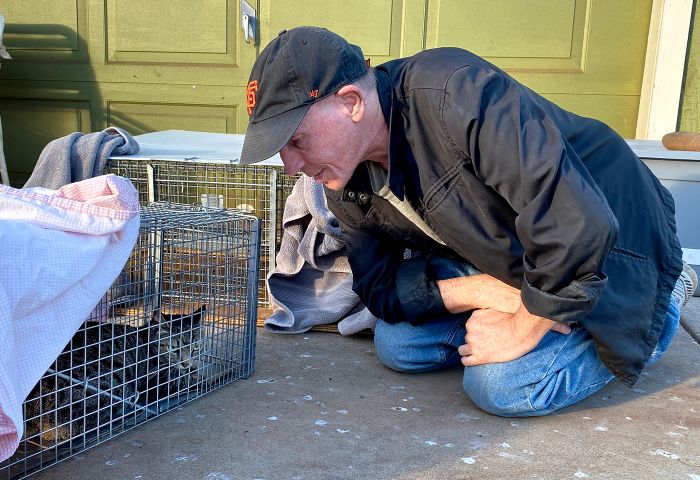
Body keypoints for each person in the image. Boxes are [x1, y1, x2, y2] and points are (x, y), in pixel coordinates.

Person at [240, 26, 697, 417]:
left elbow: (576, 224)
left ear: (352, 103)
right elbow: (377, 288)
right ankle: (533, 302)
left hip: (618, 246)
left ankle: (661, 307)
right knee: (397, 345)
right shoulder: (343, 180)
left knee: (500, 387)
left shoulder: (456, 93)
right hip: (513, 259)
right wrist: (486, 291)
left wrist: (523, 324)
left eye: (297, 140)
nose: (291, 166)